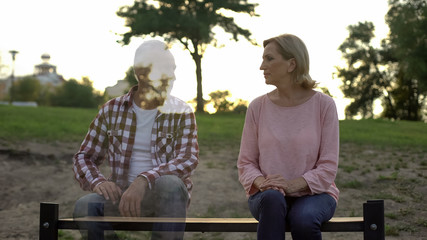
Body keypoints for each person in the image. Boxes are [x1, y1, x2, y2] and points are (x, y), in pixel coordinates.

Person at [73, 40, 199, 240]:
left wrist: (143, 180)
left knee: (170, 184)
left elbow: (187, 159)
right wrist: (98, 182)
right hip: (120, 198)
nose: (174, 76)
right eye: (167, 69)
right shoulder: (111, 110)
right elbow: (84, 157)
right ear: (142, 73)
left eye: (173, 69)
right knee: (84, 206)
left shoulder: (182, 111)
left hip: (164, 201)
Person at [237, 33, 339, 240]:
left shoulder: (324, 105)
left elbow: (328, 166)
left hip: (316, 195)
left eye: (269, 58)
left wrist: (291, 185)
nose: (261, 66)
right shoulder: (257, 107)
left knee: (303, 219)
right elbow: (246, 163)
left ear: (292, 64)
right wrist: (262, 182)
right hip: (267, 197)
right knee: (273, 200)